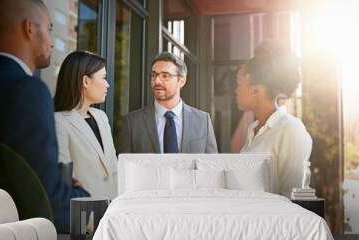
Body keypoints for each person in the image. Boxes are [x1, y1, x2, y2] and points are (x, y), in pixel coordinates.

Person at [0, 0, 89, 233]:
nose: (50, 41)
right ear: (30, 28)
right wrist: (82, 196)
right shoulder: (28, 91)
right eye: (49, 29)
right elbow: (48, 207)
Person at [235, 40, 312, 197]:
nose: (236, 91)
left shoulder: (291, 130)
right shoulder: (253, 131)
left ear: (255, 90)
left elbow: (292, 199)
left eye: (239, 83)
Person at [119, 52, 218, 154]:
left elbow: (212, 165)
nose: (157, 81)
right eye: (154, 75)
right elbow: (124, 166)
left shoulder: (202, 121)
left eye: (165, 76)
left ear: (181, 81)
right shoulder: (132, 122)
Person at [54, 51, 117, 200]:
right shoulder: (58, 122)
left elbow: (113, 167)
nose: (107, 84)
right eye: (103, 78)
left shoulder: (101, 117)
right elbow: (66, 179)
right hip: (83, 214)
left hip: (112, 211)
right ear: (86, 81)